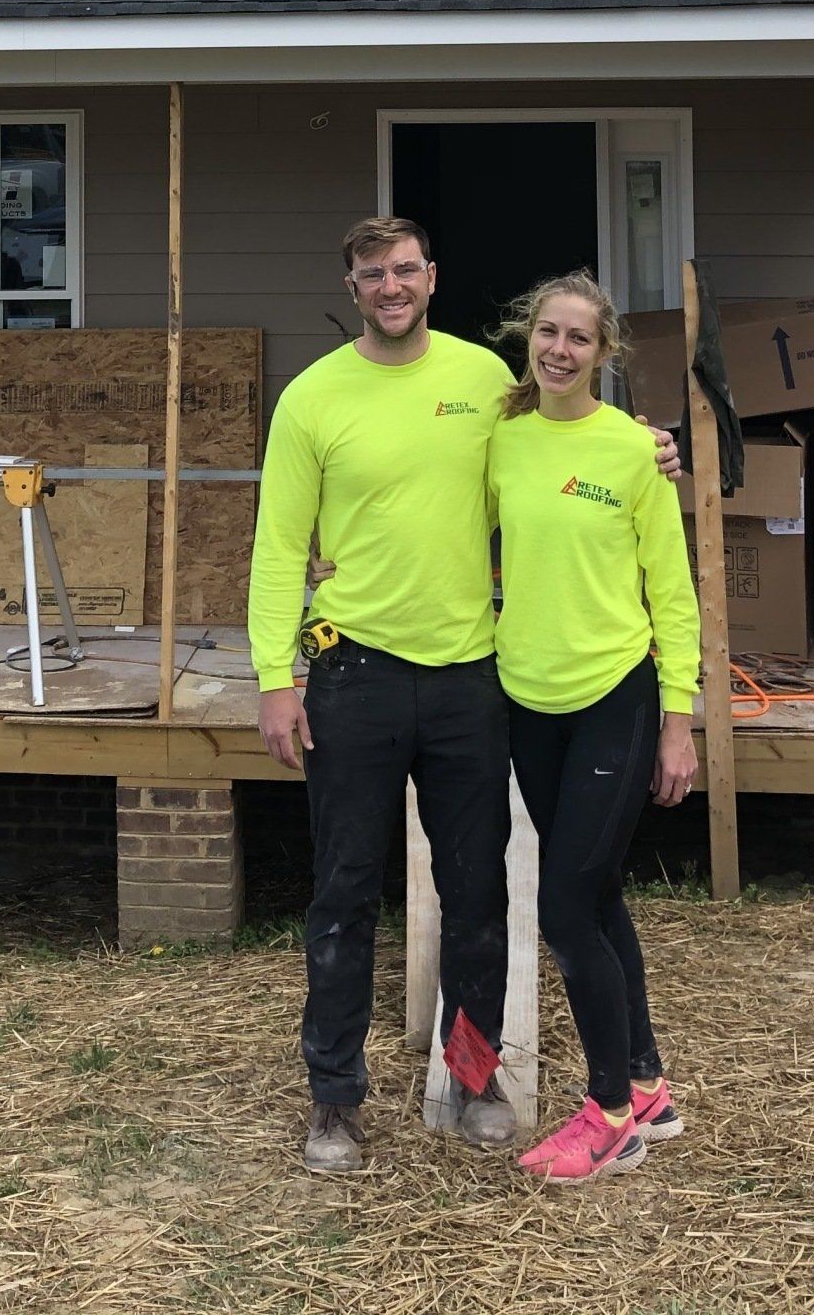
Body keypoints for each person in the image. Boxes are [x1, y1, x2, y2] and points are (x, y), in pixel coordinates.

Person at [246, 215, 681, 1177]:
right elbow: (279, 548)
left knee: (476, 892)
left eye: (406, 269)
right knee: (344, 892)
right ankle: (335, 1098)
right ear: (352, 284)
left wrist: (647, 450)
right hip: (352, 672)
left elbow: (563, 452)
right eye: (372, 273)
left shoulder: (487, 383)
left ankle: (474, 1077)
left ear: (432, 278)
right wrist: (276, 679)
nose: (391, 285)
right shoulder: (312, 399)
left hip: (468, 679)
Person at [488, 269, 700, 1185]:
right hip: (526, 700)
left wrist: (679, 720)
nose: (560, 350)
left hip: (615, 695)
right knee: (600, 892)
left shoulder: (632, 453)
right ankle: (647, 1081)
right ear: (527, 339)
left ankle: (610, 1113)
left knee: (567, 906)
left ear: (604, 354)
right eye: (547, 332)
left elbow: (674, 594)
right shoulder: (502, 441)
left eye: (579, 337)